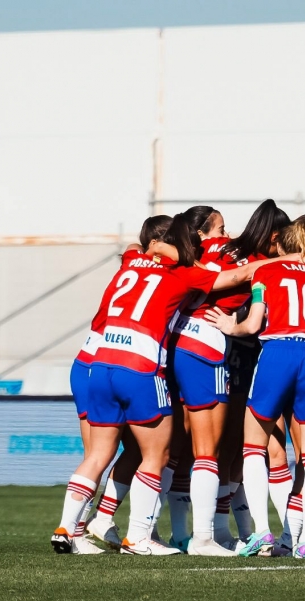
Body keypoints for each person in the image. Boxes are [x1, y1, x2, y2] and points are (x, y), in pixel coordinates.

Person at [51, 215, 263, 557]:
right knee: (159, 453)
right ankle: (139, 537)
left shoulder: (133, 260)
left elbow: (137, 246)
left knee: (99, 455)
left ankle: (69, 529)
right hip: (140, 366)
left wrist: (160, 248)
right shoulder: (182, 273)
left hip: (98, 361)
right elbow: (236, 275)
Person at [206, 217, 305, 558]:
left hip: (278, 352)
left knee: (253, 446)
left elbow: (252, 324)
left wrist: (228, 326)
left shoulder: (266, 272)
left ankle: (262, 533)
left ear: (281, 246)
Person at [170, 200, 290, 553]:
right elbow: (243, 283)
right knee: (218, 449)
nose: (225, 234)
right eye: (220, 228)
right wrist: (293, 259)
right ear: (274, 237)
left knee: (180, 447)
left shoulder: (199, 248)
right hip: (212, 344)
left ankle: (190, 532)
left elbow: (150, 246)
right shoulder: (257, 264)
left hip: (174, 341)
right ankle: (209, 534)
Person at [53, 216, 172, 554]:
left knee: (121, 451)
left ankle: (81, 525)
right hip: (113, 361)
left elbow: (133, 247)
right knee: (125, 452)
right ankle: (82, 529)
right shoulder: (166, 272)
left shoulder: (133, 260)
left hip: (90, 360)